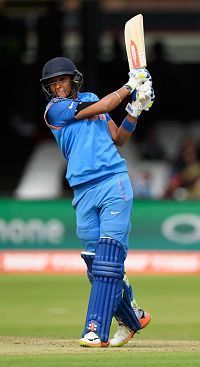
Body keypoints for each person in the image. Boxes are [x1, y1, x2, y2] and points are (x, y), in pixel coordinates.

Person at [40, 56, 154, 348]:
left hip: (113, 181)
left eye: (62, 81)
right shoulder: (55, 110)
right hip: (82, 190)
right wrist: (131, 85)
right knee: (95, 264)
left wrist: (135, 108)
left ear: (73, 80)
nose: (58, 87)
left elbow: (118, 138)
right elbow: (104, 105)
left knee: (108, 260)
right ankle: (132, 317)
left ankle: (94, 330)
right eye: (53, 84)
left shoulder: (91, 98)